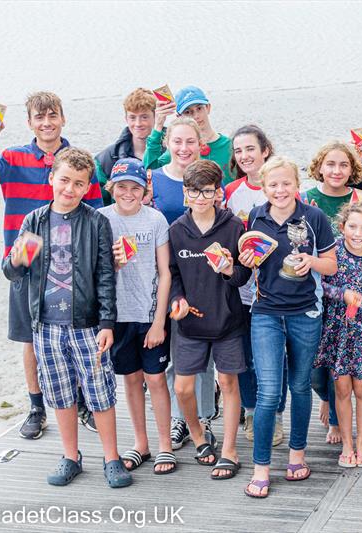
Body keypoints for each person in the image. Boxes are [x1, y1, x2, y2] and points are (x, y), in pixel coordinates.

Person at [0, 92, 103, 440]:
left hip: (72, 268)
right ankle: (36, 406)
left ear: (63, 118)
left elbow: (98, 215)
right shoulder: (13, 157)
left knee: (78, 338)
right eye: (39, 117)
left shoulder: (78, 161)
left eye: (52, 115)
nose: (46, 122)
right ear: (29, 122)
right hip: (25, 266)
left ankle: (82, 403)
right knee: (30, 341)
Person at [2, 148, 128, 487]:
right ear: (51, 178)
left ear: (88, 187)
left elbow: (105, 275)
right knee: (59, 393)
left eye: (78, 183)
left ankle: (112, 458)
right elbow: (13, 273)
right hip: (45, 325)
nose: (69, 189)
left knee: (100, 393)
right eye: (64, 180)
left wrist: (107, 323)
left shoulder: (97, 221)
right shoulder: (35, 221)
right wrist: (16, 260)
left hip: (87, 324)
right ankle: (70, 456)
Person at [239, 156, 337, 498]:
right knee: (268, 391)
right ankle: (261, 467)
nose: (280, 190)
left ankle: (297, 455)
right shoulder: (255, 216)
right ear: (264, 188)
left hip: (305, 312)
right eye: (273, 185)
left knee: (299, 385)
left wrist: (311, 261)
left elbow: (331, 265)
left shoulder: (314, 218)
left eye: (286, 183)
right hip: (265, 312)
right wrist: (244, 261)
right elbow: (246, 264)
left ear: (298, 184)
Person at [168, 159, 249, 480]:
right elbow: (171, 275)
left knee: (228, 382)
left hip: (228, 321)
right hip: (189, 324)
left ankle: (229, 449)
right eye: (193, 192)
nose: (200, 198)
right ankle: (199, 436)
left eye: (207, 191)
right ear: (185, 194)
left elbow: (244, 274)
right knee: (183, 388)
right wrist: (177, 300)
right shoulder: (176, 231)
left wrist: (230, 269)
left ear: (218, 193)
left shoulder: (233, 228)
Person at [98, 159, 175, 475]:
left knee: (156, 379)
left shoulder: (155, 220)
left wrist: (159, 321)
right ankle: (141, 443)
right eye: (121, 187)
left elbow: (165, 273)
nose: (128, 193)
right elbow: (97, 273)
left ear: (145, 190)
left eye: (135, 187)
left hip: (148, 313)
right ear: (111, 188)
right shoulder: (101, 220)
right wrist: (116, 264)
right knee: (130, 379)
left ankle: (165, 445)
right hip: (117, 316)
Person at [148, 116, 217, 449]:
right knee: (177, 351)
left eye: (190, 141)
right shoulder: (154, 180)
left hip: (206, 276)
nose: (184, 148)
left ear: (200, 144)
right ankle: (180, 417)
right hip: (169, 275)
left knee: (205, 354)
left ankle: (203, 415)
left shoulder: (208, 178)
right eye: (177, 141)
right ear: (167, 143)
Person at [223, 125, 287, 446]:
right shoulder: (231, 191)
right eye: (238, 151)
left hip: (277, 290)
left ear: (265, 150)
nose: (245, 156)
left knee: (276, 357)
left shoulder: (280, 185)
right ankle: (250, 411)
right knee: (246, 357)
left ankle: (274, 417)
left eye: (250, 148)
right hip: (242, 290)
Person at [304, 140, 362, 444]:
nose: (337, 170)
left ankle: (335, 419)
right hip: (316, 289)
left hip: (350, 293)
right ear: (319, 167)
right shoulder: (306, 199)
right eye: (330, 164)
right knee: (316, 364)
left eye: (344, 164)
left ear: (352, 169)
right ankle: (326, 398)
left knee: (339, 360)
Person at [315, 202, 362, 468]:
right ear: (342, 227)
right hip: (336, 327)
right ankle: (346, 444)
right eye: (352, 226)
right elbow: (321, 284)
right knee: (342, 388)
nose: (358, 233)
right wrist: (341, 294)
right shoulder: (333, 252)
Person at [144, 85, 233, 184]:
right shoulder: (179, 153)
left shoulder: (230, 146)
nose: (196, 116)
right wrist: (158, 125)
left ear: (208, 107)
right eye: (188, 112)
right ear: (179, 117)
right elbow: (149, 172)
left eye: (199, 108)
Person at [94, 88, 157, 205]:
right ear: (126, 119)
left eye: (144, 117)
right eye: (133, 117)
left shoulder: (171, 153)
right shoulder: (106, 159)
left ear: (155, 117)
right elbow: (98, 204)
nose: (138, 123)